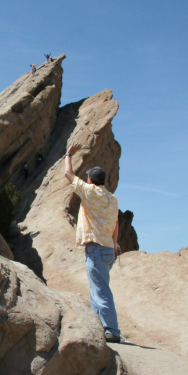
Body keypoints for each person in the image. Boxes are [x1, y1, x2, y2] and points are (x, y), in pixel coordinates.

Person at [63, 142, 122, 343]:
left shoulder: (89, 192)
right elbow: (116, 223)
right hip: (107, 248)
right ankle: (100, 326)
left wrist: (69, 154)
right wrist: (115, 245)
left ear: (90, 179)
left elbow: (69, 175)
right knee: (97, 288)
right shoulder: (112, 199)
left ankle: (112, 330)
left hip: (96, 248)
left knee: (101, 290)